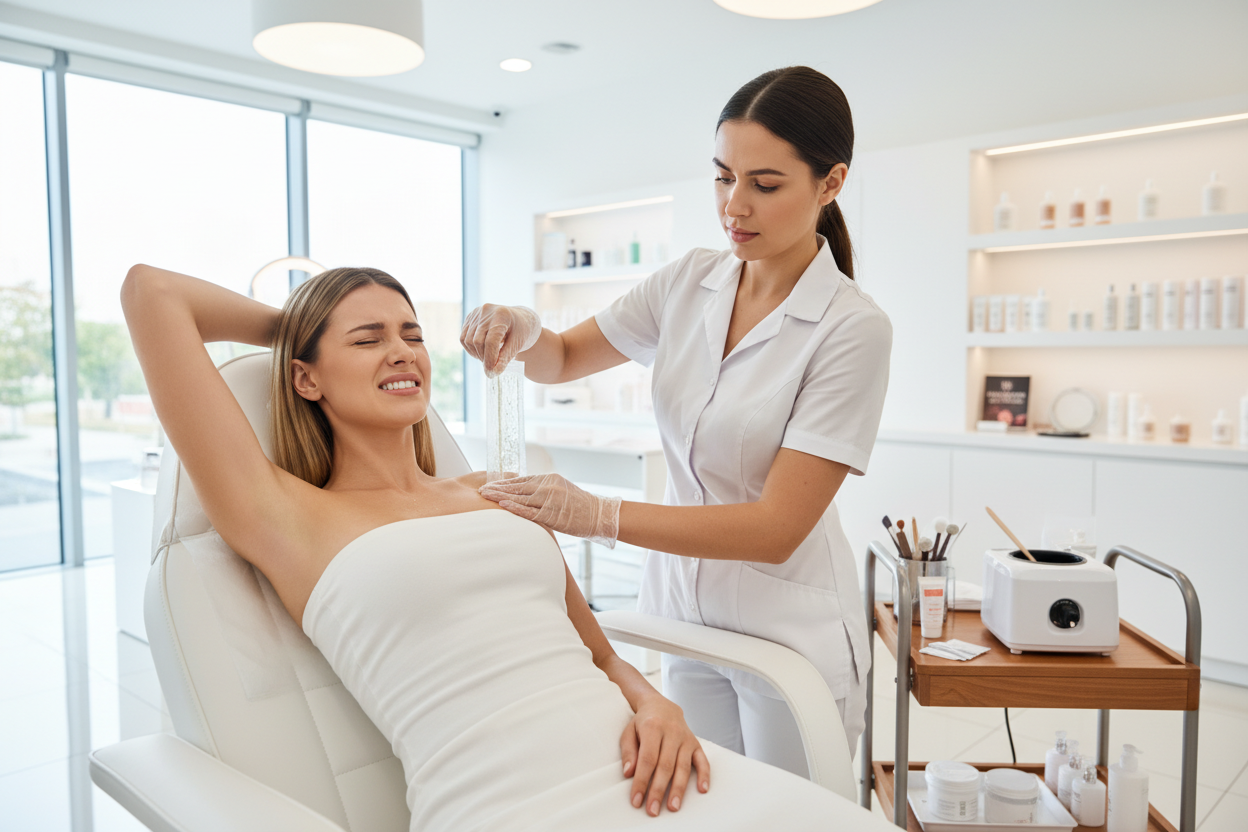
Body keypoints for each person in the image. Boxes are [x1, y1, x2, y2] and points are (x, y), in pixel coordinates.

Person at [121, 263, 874, 831]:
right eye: (369, 338)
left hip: (656, 773)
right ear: (305, 379)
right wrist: (302, 326)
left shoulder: (500, 490)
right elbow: (152, 294)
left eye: (412, 334)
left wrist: (656, 704)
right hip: (508, 806)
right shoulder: (288, 518)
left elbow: (600, 654)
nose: (402, 352)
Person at [464, 66, 892, 777]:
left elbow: (776, 525)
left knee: (787, 823)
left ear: (830, 183)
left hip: (786, 632)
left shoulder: (852, 328)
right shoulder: (690, 280)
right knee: (704, 805)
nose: (735, 206)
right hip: (681, 618)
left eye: (765, 183)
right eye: (723, 177)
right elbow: (565, 356)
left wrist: (598, 514)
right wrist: (522, 326)